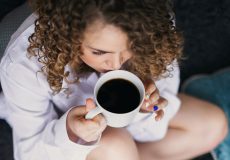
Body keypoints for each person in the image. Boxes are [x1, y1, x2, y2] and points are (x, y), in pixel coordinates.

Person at [0, 0, 227, 160]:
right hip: (64, 138)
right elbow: (30, 153)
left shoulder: (150, 23)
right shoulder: (24, 63)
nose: (117, 65)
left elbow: (158, 118)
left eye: (130, 48)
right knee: (116, 146)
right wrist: (71, 133)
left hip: (128, 134)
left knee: (213, 126)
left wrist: (146, 110)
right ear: (68, 36)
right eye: (99, 52)